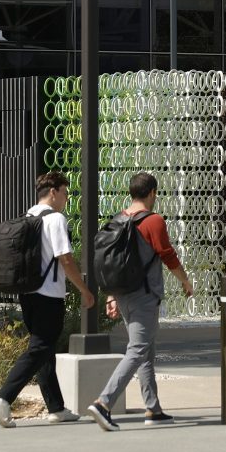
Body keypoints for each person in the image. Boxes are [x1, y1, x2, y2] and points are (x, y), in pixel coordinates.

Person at [0, 171, 95, 427]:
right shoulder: (55, 219)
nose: (67, 199)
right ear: (54, 192)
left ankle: (56, 408)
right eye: (66, 193)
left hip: (28, 294)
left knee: (45, 350)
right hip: (49, 295)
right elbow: (65, 259)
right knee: (40, 349)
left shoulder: (30, 215)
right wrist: (84, 289)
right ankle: (3, 397)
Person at [87, 171, 193, 431]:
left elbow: (113, 263)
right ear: (152, 193)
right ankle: (104, 402)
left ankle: (152, 407)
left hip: (123, 293)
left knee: (145, 350)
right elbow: (167, 255)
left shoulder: (120, 219)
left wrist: (111, 294)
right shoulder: (152, 221)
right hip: (143, 295)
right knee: (138, 350)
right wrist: (185, 281)